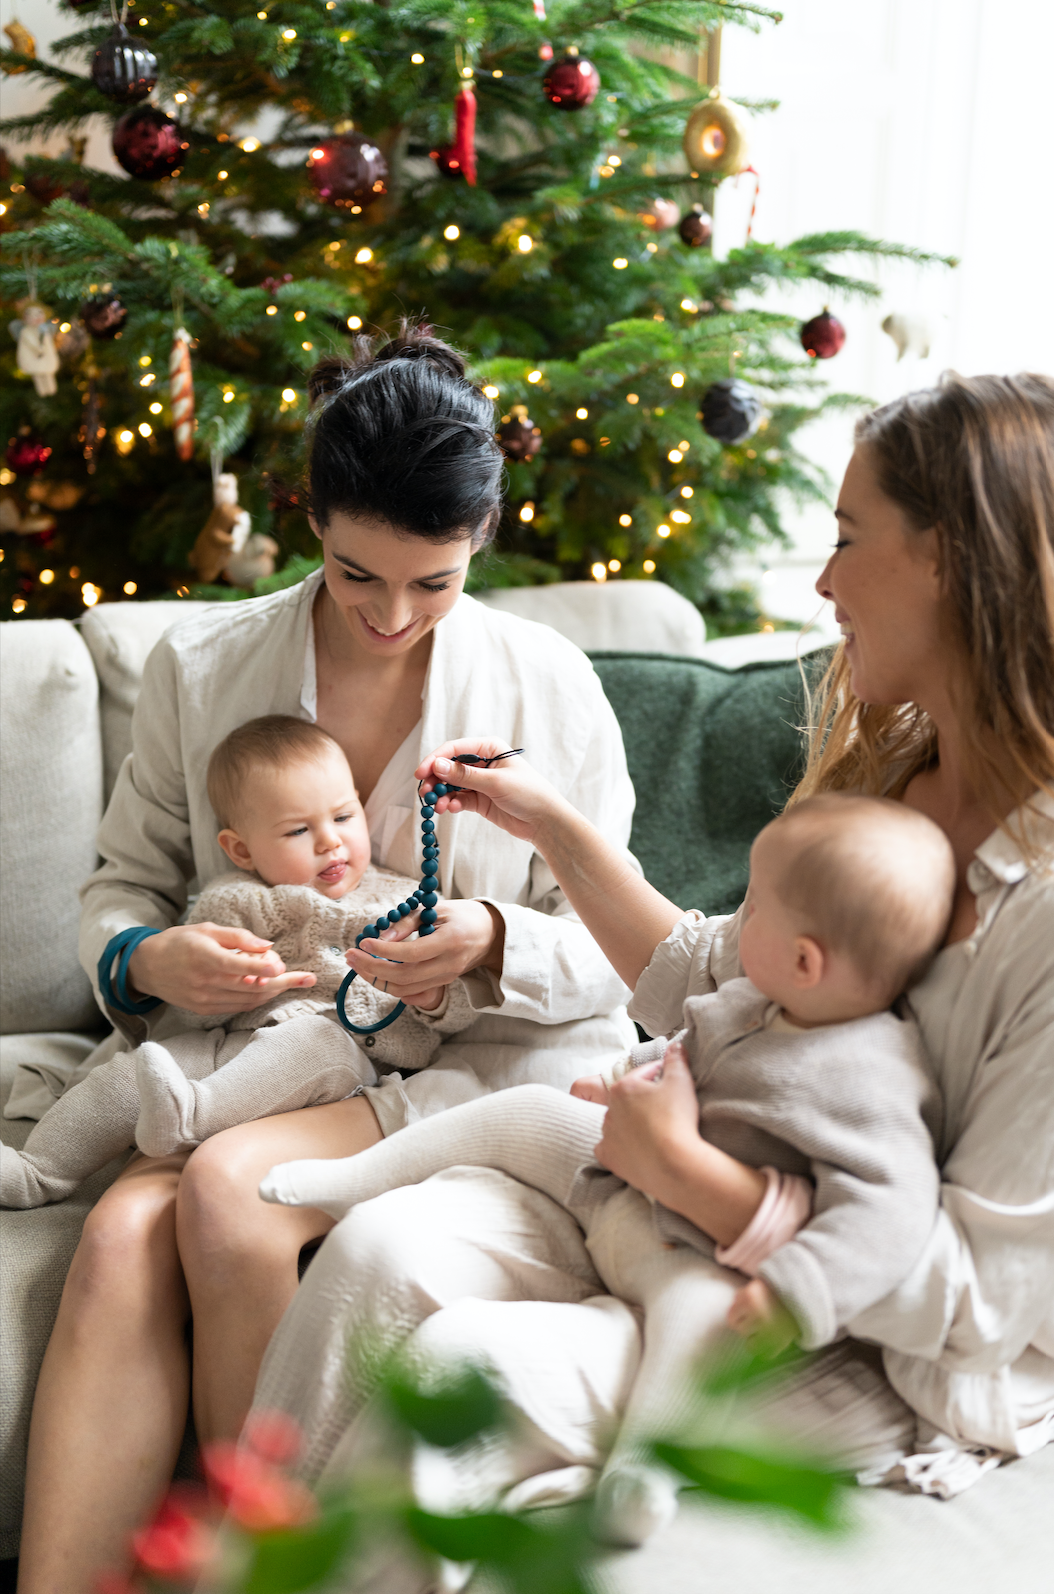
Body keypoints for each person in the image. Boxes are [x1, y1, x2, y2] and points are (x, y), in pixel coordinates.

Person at [249, 373, 1054, 1545]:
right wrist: (555, 828)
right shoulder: (890, 783)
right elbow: (711, 968)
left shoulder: (1039, 902)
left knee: (472, 1373)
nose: (821, 582)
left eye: (844, 539)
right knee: (377, 1250)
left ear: (950, 558)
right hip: (676, 1190)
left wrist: (687, 1173)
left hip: (858, 1335)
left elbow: (985, 1298)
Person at [17, 329, 639, 1594]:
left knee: (226, 1195)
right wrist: (149, 957)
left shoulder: (549, 685)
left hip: (464, 1065)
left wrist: (495, 942)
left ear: (480, 545)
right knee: (127, 1235)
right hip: (261, 1048)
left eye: (436, 583)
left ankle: (262, 1575)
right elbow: (120, 886)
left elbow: (623, 951)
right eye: (358, 572)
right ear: (309, 513)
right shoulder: (204, 667)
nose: (391, 615)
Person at [261, 792, 954, 1545]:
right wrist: (627, 1074)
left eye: (752, 912)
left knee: (694, 1330)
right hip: (625, 1181)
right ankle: (358, 1176)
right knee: (520, 1112)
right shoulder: (756, 1000)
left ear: (805, 959)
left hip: (702, 1253)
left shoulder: (876, 1081)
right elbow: (682, 1044)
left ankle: (638, 1476)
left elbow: (890, 1214)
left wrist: (797, 1289)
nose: (735, 923)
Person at [1, 715, 476, 1208]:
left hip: (349, 1066)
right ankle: (38, 1172)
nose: (329, 841)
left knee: (317, 1043)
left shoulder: (407, 904)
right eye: (297, 829)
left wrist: (437, 996)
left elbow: (462, 1007)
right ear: (241, 849)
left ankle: (189, 1116)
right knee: (136, 1071)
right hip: (229, 1045)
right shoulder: (234, 903)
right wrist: (227, 990)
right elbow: (191, 1010)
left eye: (342, 816)